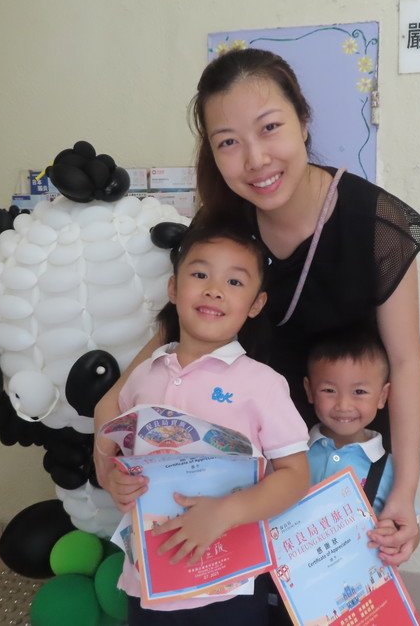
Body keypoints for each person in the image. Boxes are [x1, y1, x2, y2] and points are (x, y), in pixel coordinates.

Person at [96, 47, 420, 565]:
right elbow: (183, 323)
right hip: (235, 467)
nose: (255, 160)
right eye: (229, 142)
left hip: (335, 457)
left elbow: (404, 363)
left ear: (303, 121)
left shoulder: (375, 225)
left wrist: (404, 489)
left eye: (270, 128)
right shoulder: (222, 219)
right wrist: (113, 403)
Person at [102, 219, 310, 625]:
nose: (214, 289)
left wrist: (224, 513)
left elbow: (295, 476)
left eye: (234, 282)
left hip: (229, 585)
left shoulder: (263, 385)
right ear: (174, 288)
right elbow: (126, 456)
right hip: (149, 579)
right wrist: (116, 481)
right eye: (200, 275)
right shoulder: (143, 376)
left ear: (256, 304)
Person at [304, 328, 397, 520]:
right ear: (309, 390)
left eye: (359, 392)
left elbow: (410, 529)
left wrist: (390, 532)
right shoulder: (292, 451)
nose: (344, 405)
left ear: (382, 396)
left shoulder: (392, 469)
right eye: (329, 390)